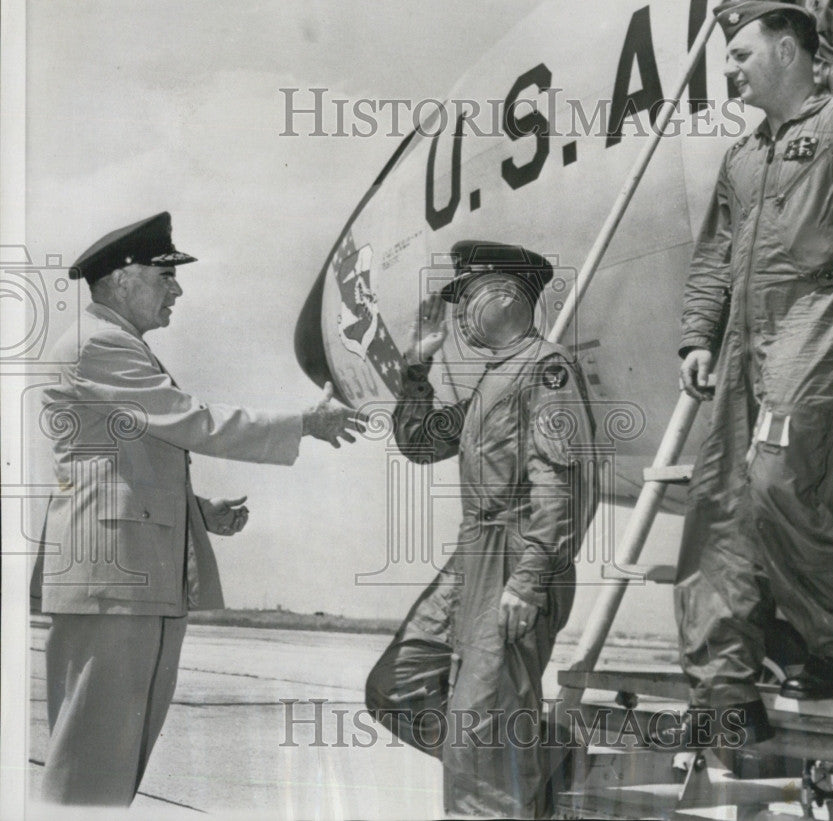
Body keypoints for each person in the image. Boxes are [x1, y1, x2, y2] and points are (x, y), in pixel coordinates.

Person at [31, 211, 364, 806]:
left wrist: (196, 509)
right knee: (88, 770)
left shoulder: (111, 343)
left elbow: (119, 460)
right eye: (166, 277)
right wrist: (304, 423)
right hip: (117, 581)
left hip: (127, 576)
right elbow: (192, 421)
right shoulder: (101, 344)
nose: (177, 290)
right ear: (124, 278)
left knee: (104, 764)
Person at [365, 240, 598, 819]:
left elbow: (560, 477)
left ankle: (506, 781)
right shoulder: (491, 383)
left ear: (506, 298)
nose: (459, 313)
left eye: (467, 297)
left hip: (515, 560)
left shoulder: (546, 369)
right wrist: (417, 365)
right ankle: (538, 759)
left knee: (479, 738)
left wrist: (532, 577)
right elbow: (421, 443)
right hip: (475, 557)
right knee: (397, 688)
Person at [673, 0, 833, 743]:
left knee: (777, 477)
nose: (731, 71)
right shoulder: (743, 156)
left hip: (817, 323)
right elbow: (716, 255)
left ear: (789, 49)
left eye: (742, 56)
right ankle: (724, 688)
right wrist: (697, 338)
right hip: (745, 340)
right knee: (718, 500)